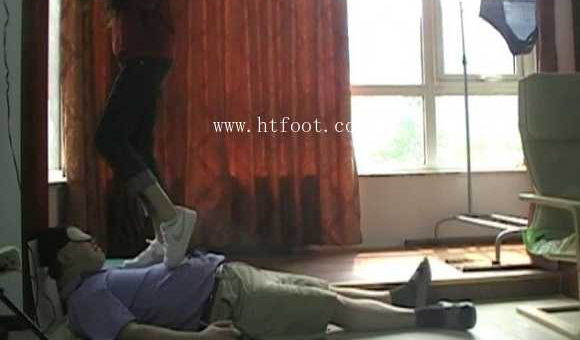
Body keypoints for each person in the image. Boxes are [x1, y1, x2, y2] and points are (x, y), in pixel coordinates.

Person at [28, 0, 194, 269]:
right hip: (139, 58)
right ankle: (164, 238)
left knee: (108, 138)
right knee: (139, 148)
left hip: (148, 55)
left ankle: (172, 219)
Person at [37, 219, 477, 340]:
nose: (93, 241)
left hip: (230, 275)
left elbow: (153, 261)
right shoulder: (85, 300)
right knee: (332, 308)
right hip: (231, 303)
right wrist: (202, 339)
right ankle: (431, 318)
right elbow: (132, 333)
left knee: (325, 289)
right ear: (64, 256)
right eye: (83, 240)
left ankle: (397, 297)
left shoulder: (106, 272)